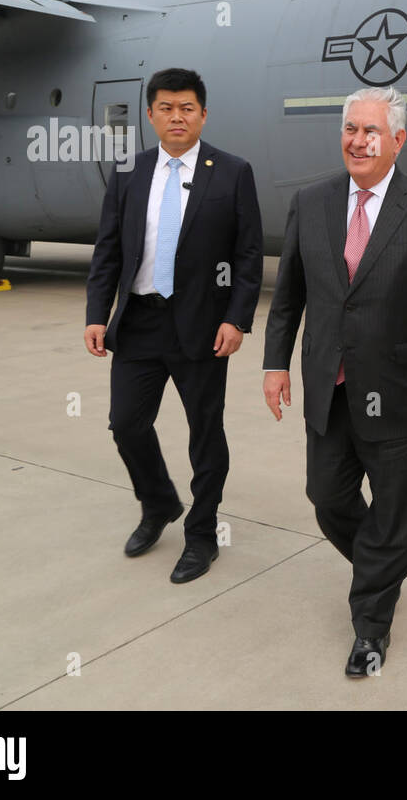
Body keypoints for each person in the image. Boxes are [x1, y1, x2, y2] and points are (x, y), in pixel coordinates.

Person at [262, 86, 407, 678]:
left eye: (371, 131)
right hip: (329, 388)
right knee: (326, 497)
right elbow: (291, 297)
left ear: (398, 141)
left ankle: (370, 625)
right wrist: (275, 364)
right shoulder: (311, 202)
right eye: (351, 128)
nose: (358, 140)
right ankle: (380, 568)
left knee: (400, 509)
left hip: (401, 391)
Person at [84, 68, 263, 583]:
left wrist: (237, 319)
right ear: (150, 115)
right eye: (166, 107)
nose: (176, 116)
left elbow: (248, 255)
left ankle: (202, 535)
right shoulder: (128, 171)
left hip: (204, 328)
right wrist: (98, 313)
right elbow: (108, 251)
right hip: (139, 321)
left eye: (187, 108)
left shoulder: (231, 171)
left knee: (205, 433)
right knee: (126, 423)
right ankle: (159, 501)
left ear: (203, 114)